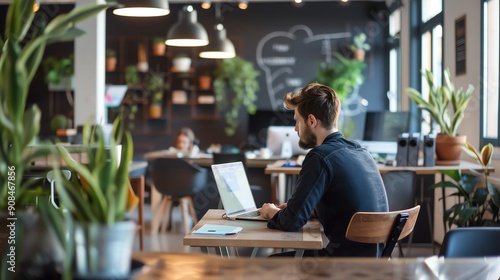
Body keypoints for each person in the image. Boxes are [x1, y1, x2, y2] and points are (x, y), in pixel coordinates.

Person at [259, 83, 389, 257]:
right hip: (375, 263)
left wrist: (271, 212)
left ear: (311, 121)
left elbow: (292, 223)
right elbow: (346, 206)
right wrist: (301, 209)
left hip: (343, 267)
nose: (295, 129)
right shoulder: (361, 151)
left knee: (269, 263)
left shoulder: (319, 157)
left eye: (297, 121)